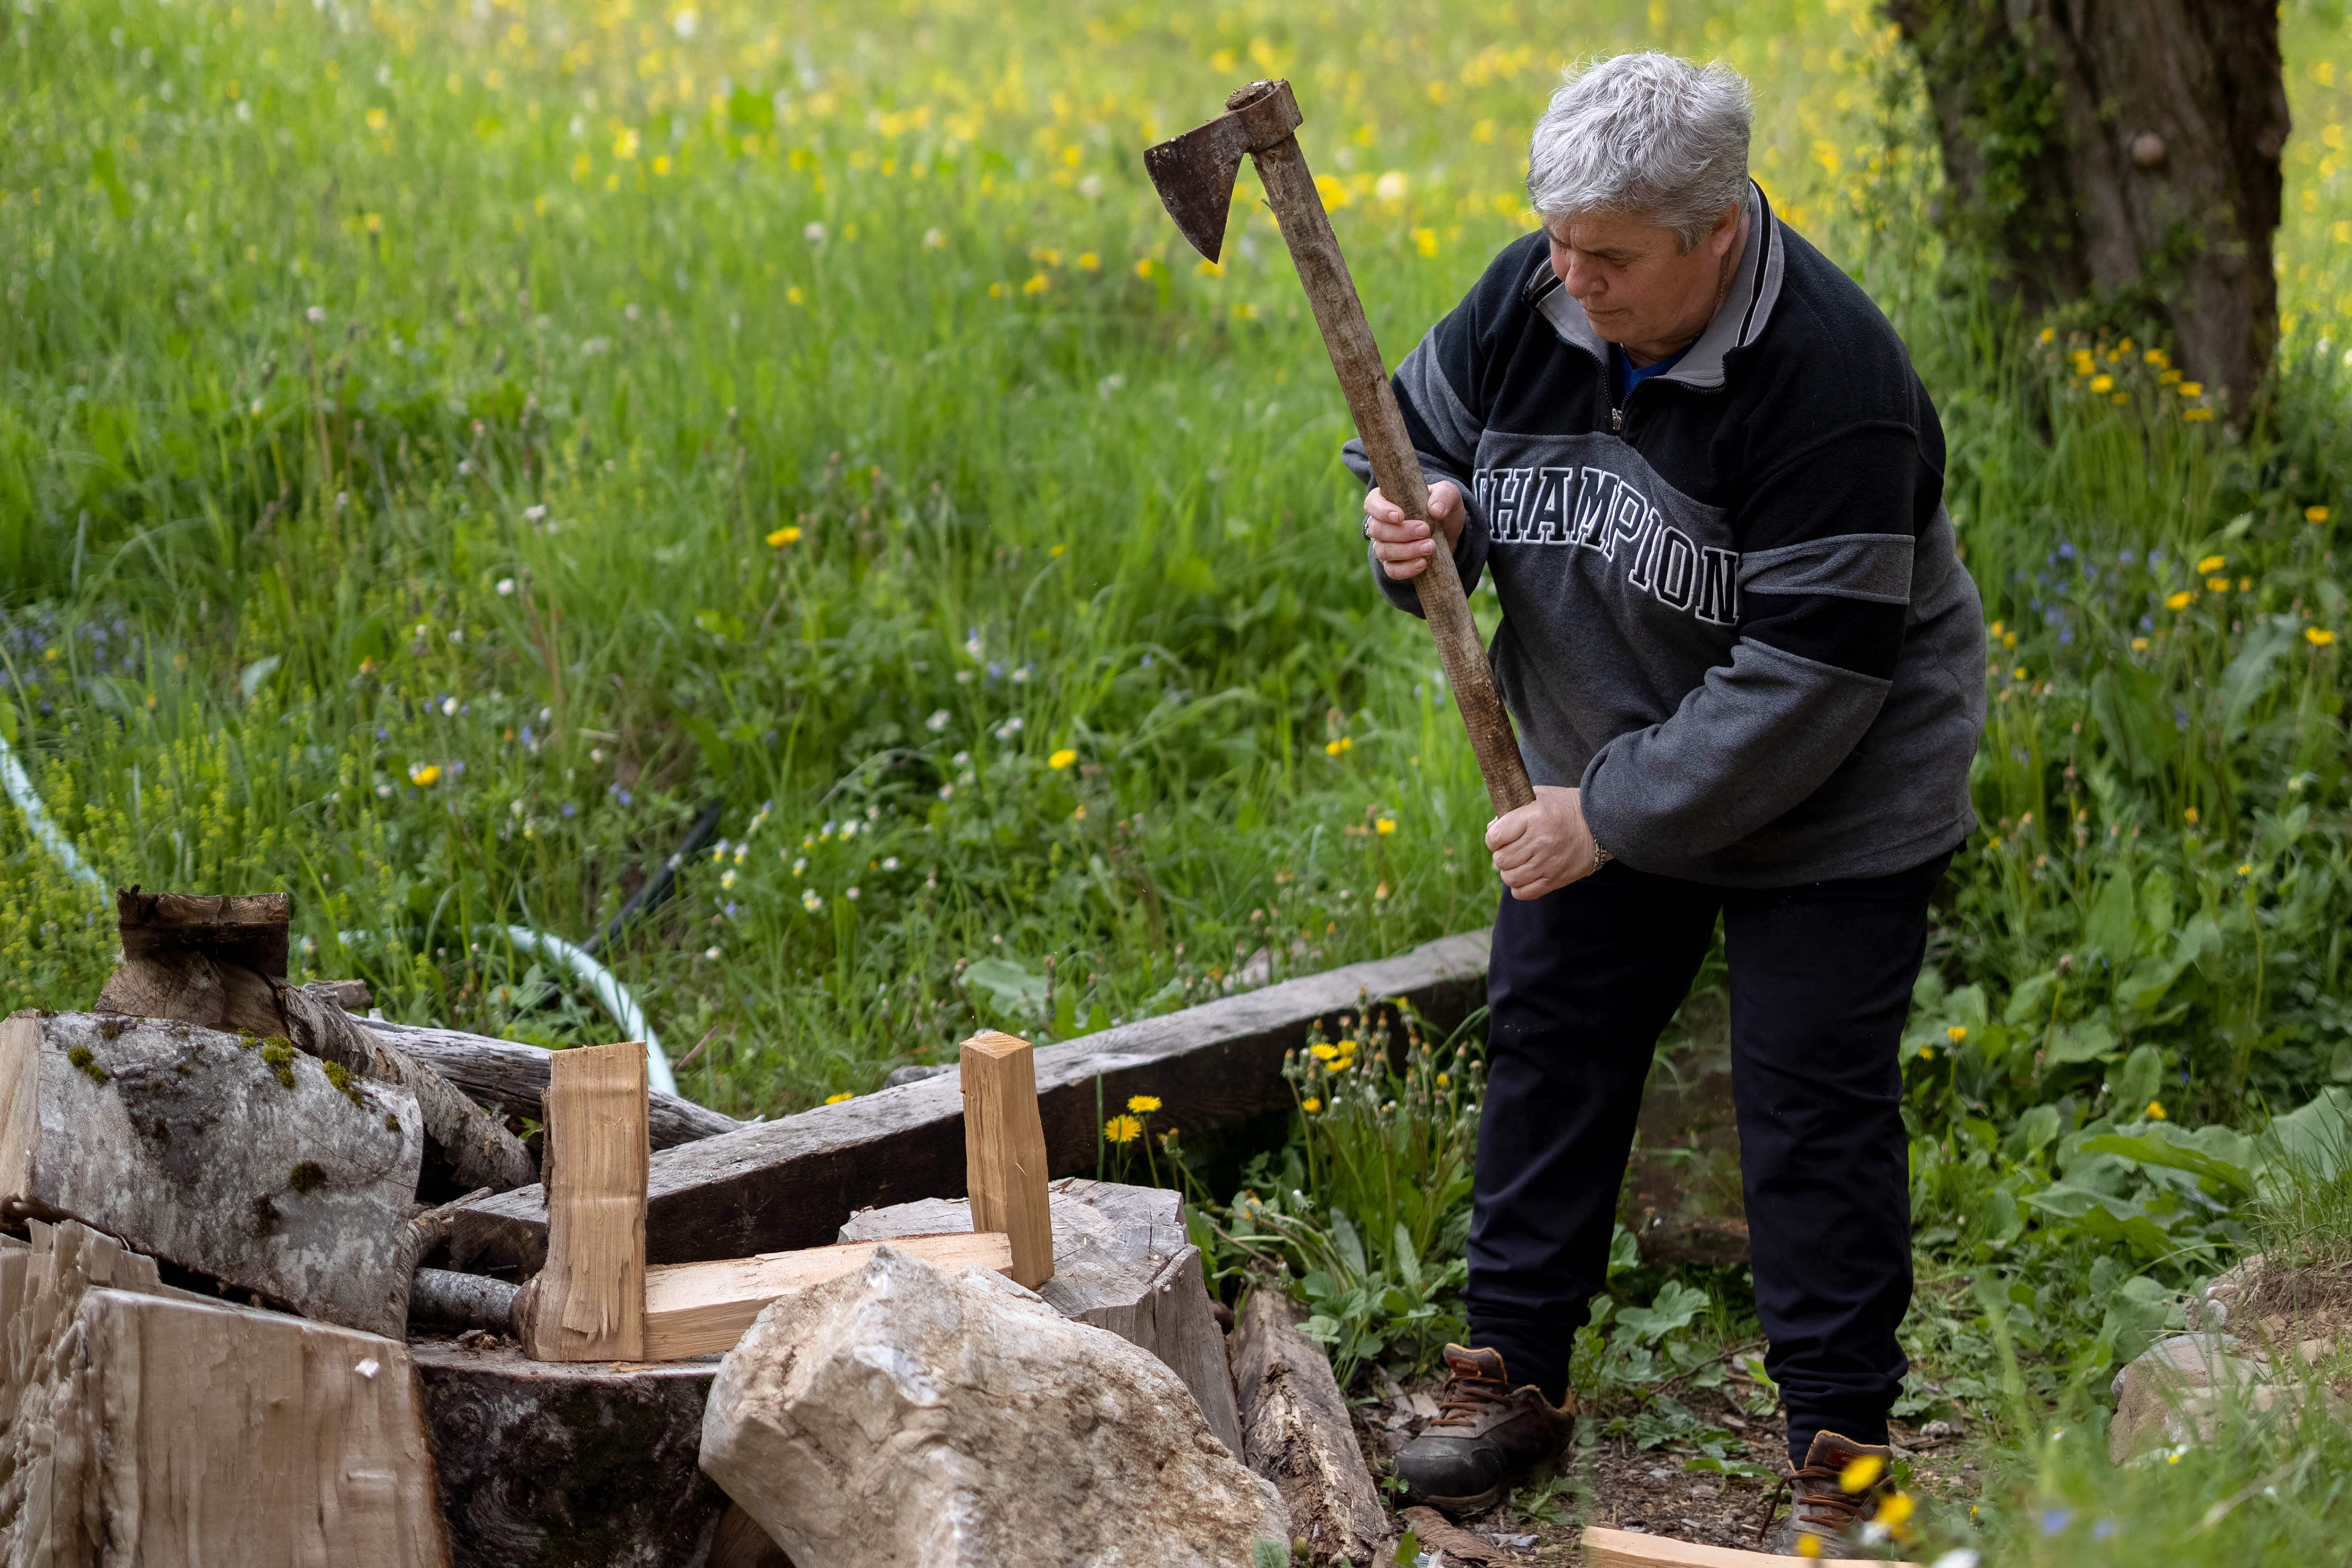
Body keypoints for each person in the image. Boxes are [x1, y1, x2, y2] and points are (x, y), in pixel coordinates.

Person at [1350, 51, 1986, 1552]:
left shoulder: (1837, 384)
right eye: (1559, 242)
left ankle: (1849, 1460)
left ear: (1718, 232)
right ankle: (1514, 1385)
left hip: (1833, 797)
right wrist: (1416, 516)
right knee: (1553, 1041)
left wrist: (1607, 818)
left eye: (1612, 258)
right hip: (1606, 749)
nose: (1572, 281)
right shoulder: (1539, 289)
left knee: (1809, 1109)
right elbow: (1415, 433)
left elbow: (1810, 686)